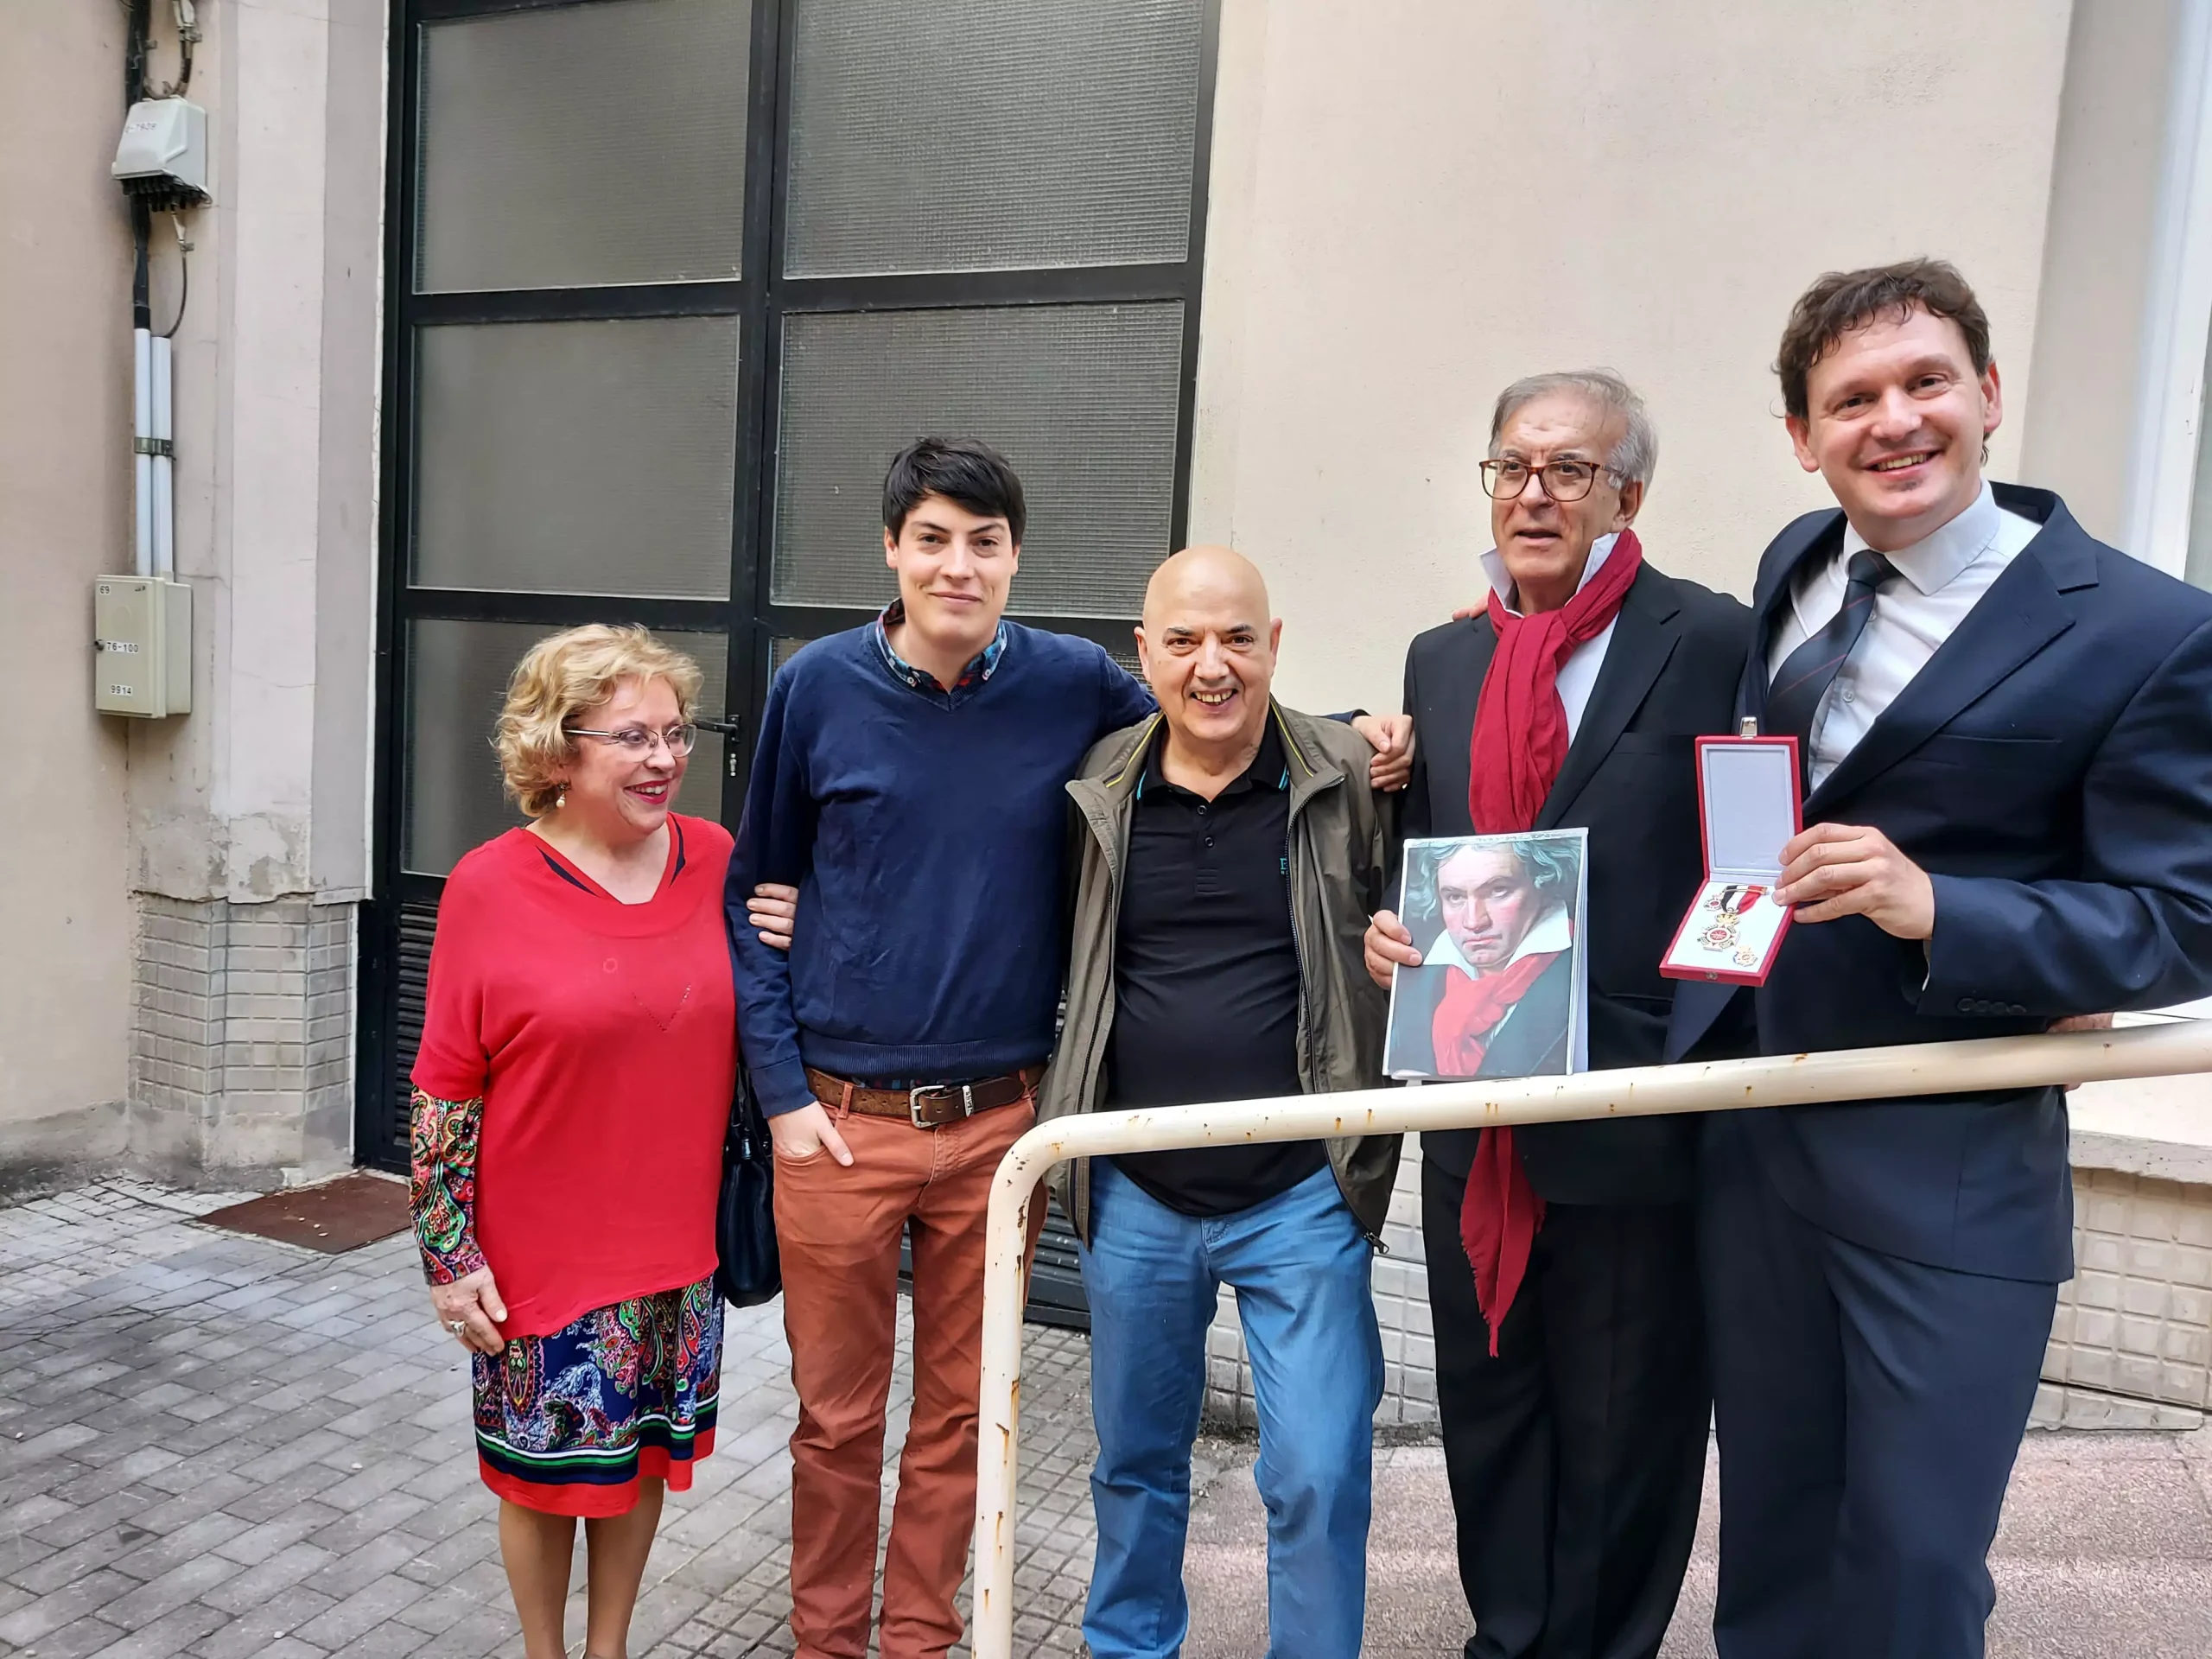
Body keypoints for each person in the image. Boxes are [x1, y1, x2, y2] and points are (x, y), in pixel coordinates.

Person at [725, 439, 1411, 1659]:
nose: (958, 564)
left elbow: (1242, 717)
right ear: (892, 550)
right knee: (838, 1422)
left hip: (1013, 1128)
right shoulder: (818, 688)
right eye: (933, 538)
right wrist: (778, 1094)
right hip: (849, 1122)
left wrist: (1377, 724)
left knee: (963, 1417)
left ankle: (921, 1641)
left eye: (985, 542)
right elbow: (754, 891)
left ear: (1015, 559)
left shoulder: (1074, 689)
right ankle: (829, 1644)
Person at [1665, 258, 2212, 1659]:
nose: (1894, 419)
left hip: (1947, 1172)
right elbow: (1755, 804)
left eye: (1925, 382)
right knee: (1773, 1550)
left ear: (1988, 394)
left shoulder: (2153, 631)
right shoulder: (1797, 561)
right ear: (1803, 436)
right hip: (1752, 1139)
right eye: (1852, 398)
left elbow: (2180, 922)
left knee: (1912, 1573)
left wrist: (1938, 906)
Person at [1365, 371, 1750, 1659]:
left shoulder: (1712, 641)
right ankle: (1507, 1635)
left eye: (1569, 470)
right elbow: (1431, 857)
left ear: (1626, 492)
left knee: (1627, 1419)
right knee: (1490, 1403)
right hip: (1478, 1096)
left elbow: (1749, 869)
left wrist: (1686, 1058)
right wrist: (1392, 932)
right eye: (1513, 468)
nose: (1535, 493)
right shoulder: (1445, 656)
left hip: (1636, 1109)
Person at [1038, 546, 1401, 1659]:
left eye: (1237, 638)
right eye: (1184, 641)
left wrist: (1410, 953)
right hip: (1137, 1192)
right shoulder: (1098, 779)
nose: (1211, 666)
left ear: (1274, 645)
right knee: (1136, 1465)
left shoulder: (1349, 770)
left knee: (1319, 1470)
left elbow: (1441, 907)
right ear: (1142, 654)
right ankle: (1129, 1647)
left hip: (1300, 1188)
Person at [409, 624, 734, 1659]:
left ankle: (609, 1651)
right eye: (632, 737)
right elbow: (444, 1091)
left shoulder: (719, 860)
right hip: (542, 1255)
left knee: (637, 1466)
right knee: (544, 1484)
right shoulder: (489, 885)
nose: (664, 759)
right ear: (557, 751)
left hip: (678, 1248)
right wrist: (449, 1258)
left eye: (676, 734)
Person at [1383, 836, 1578, 1080]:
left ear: (1543, 883)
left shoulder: (1580, 971)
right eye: (1455, 897)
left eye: (1498, 891)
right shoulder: (1418, 980)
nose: (1474, 922)